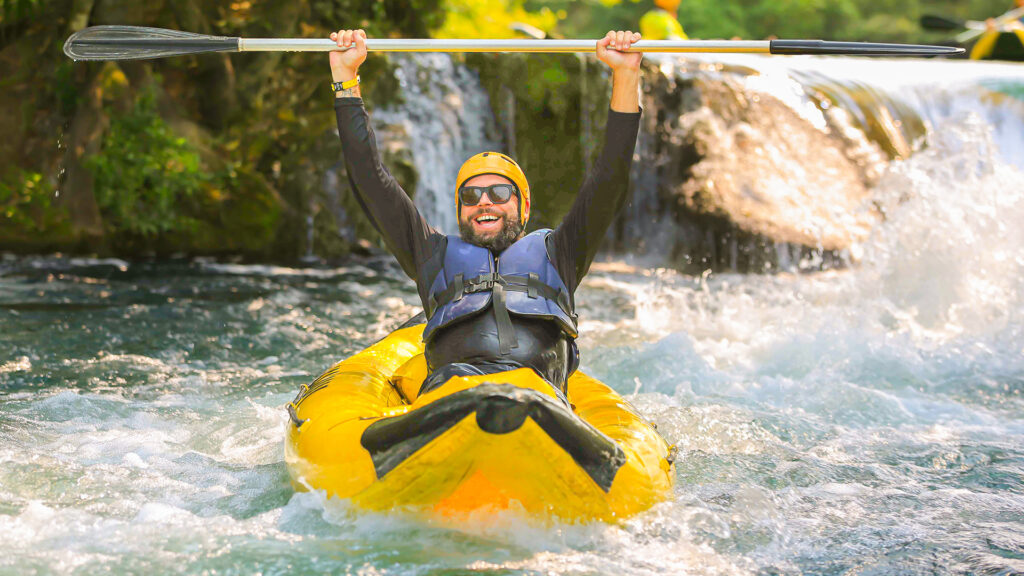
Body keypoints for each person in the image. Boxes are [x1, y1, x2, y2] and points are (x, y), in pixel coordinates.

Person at [328, 28, 643, 400]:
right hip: (452, 395)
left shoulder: (562, 253)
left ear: (523, 207)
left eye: (499, 192)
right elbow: (370, 178)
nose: (484, 202)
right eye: (471, 195)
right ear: (460, 210)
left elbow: (610, 177)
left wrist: (625, 74)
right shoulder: (430, 254)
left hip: (538, 398)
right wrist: (345, 78)